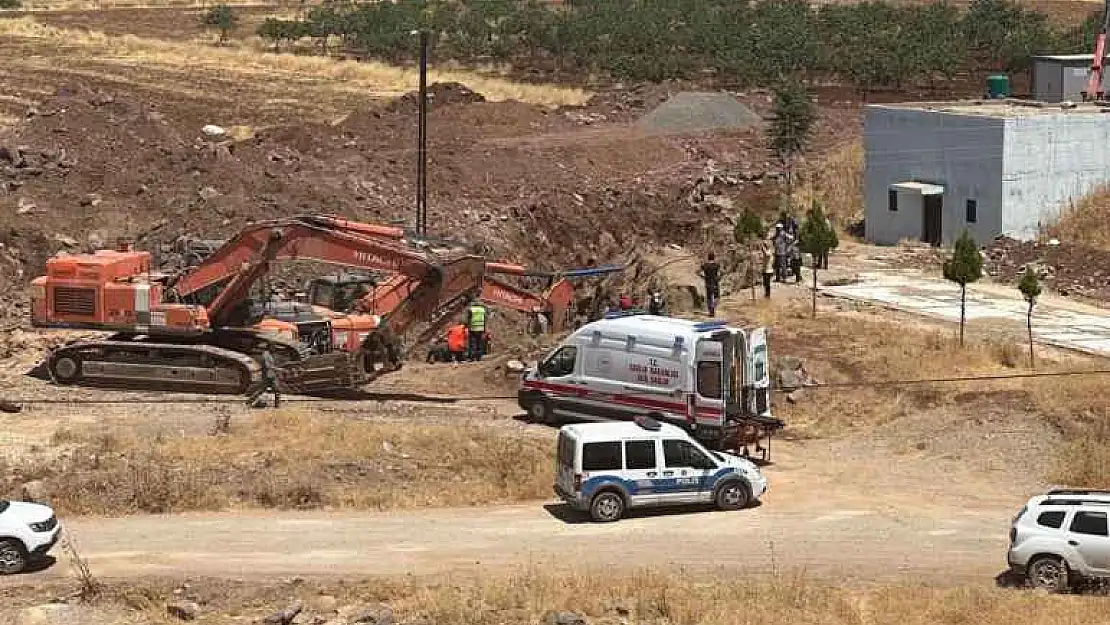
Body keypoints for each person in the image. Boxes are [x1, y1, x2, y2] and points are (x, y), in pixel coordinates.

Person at [698, 252, 721, 317]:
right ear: (714, 257)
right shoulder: (717, 265)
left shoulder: (704, 265)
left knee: (708, 297)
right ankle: (713, 307)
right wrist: (719, 278)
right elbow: (722, 272)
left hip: (708, 282)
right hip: (715, 282)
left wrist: (703, 277)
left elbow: (697, 272)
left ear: (708, 257)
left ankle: (711, 311)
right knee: (717, 297)